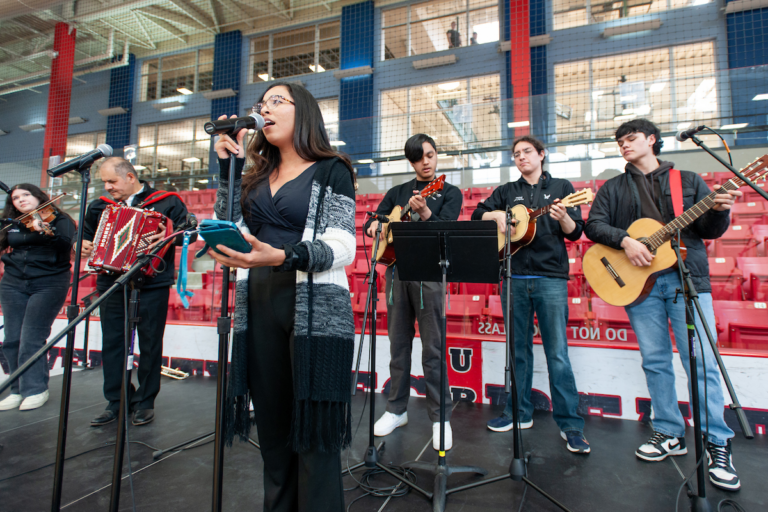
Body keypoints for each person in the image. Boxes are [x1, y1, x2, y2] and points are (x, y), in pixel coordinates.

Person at [209, 82, 356, 512]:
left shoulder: (332, 169)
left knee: (314, 435)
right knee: (272, 433)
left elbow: (343, 245)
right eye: (261, 104)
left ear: (303, 112)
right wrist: (225, 172)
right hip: (256, 303)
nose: (265, 109)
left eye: (277, 101)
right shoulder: (253, 176)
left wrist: (286, 255)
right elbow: (229, 225)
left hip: (314, 305)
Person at [584, 118, 741, 490]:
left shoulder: (686, 181)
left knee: (701, 361)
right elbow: (594, 226)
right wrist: (626, 241)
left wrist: (719, 210)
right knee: (655, 360)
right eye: (620, 141)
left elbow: (710, 231)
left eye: (631, 138)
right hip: (640, 286)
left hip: (687, 279)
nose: (624, 144)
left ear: (652, 140)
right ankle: (668, 431)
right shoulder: (613, 187)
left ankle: (717, 441)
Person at [473, 136, 590, 454]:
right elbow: (476, 216)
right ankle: (517, 412)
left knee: (557, 354)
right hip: (512, 276)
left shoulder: (564, 187)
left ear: (542, 154)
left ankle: (570, 424)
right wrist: (494, 216)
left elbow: (577, 232)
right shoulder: (506, 192)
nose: (521, 157)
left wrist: (565, 218)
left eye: (527, 152)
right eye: (516, 154)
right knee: (518, 351)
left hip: (550, 278)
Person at [365, 134, 463, 450]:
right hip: (396, 274)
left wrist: (424, 213)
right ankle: (396, 409)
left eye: (430, 155)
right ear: (411, 161)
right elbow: (376, 221)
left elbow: (447, 231)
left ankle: (441, 417)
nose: (426, 162)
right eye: (419, 158)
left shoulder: (449, 192)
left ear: (436, 156)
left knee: (433, 348)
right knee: (399, 346)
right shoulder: (397, 192)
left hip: (430, 275)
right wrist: (374, 227)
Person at [80, 157, 191, 427]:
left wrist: (168, 232)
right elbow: (83, 234)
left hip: (152, 282)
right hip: (111, 282)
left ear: (130, 177)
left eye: (112, 181)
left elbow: (190, 233)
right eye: (104, 182)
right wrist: (79, 244)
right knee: (113, 343)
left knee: (150, 343)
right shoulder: (99, 207)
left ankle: (145, 401)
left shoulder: (168, 201)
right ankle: (116, 401)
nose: (107, 187)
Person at [0, 185, 76, 411]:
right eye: (15, 198)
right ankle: (16, 389)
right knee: (12, 339)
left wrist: (44, 231)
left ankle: (36, 389)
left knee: (31, 337)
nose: (21, 200)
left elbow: (65, 245)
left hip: (49, 282)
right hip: (13, 283)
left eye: (26, 195)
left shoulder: (60, 219)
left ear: (38, 196)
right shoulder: (12, 222)